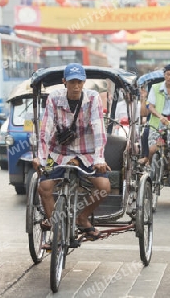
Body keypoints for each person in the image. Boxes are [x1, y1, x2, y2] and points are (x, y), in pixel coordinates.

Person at [32, 63, 111, 243]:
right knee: (43, 187)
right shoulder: (54, 98)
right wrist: (41, 157)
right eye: (72, 82)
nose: (76, 86)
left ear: (84, 82)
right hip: (58, 152)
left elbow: (99, 129)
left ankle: (82, 218)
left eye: (79, 82)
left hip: (87, 152)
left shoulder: (93, 98)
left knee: (104, 187)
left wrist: (99, 158)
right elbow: (45, 130)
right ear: (64, 82)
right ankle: (55, 227)